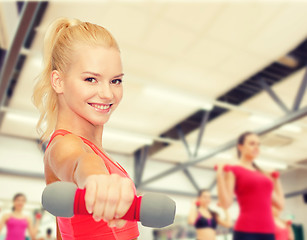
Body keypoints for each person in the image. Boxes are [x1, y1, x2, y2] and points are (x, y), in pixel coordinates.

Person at [32, 17, 139, 240]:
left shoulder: (98, 152)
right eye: (91, 79)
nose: (108, 94)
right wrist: (95, 179)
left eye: (116, 81)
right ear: (58, 81)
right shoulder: (64, 144)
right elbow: (80, 161)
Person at [216, 131, 285, 240]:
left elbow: (280, 205)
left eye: (258, 144)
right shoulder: (233, 170)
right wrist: (219, 175)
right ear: (240, 147)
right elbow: (226, 204)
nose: (256, 147)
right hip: (246, 231)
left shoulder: (263, 175)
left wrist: (276, 181)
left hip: (268, 231)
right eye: (252, 144)